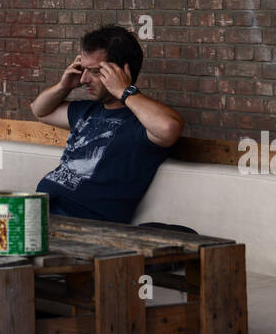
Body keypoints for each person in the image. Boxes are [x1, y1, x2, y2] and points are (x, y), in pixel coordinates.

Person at [30, 25, 184, 223]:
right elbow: (40, 110)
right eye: (82, 69)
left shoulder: (139, 123)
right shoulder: (87, 110)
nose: (84, 79)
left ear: (120, 72)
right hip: (44, 213)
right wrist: (64, 85)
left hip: (85, 225)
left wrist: (125, 91)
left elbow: (169, 128)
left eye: (94, 71)